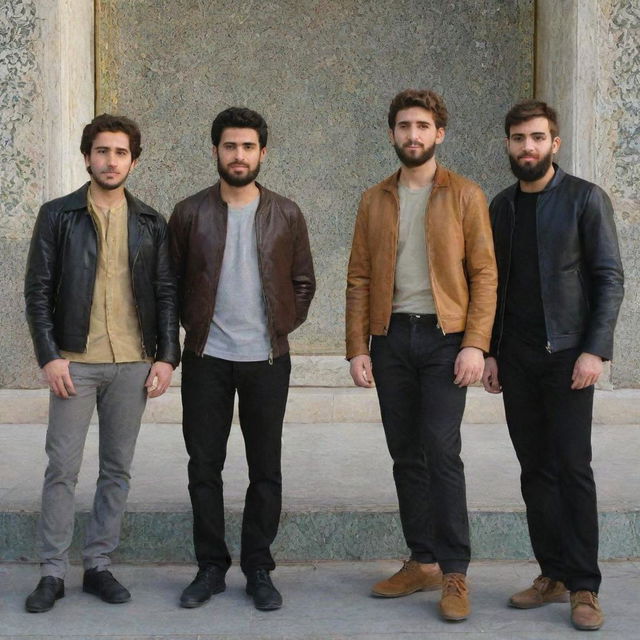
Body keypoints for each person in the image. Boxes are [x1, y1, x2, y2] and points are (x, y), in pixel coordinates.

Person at [346, 89, 497, 621]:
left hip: (444, 339)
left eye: (423, 126)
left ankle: (454, 570)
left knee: (440, 449)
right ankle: (422, 558)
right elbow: (360, 276)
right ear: (392, 134)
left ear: (439, 134)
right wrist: (357, 347)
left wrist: (476, 342)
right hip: (390, 341)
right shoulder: (374, 199)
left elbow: (484, 274)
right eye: (404, 126)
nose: (413, 135)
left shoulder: (465, 195)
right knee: (405, 452)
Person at [23, 114, 180, 612]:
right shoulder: (58, 215)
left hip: (132, 361)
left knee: (117, 469)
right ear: (87, 155)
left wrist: (166, 357)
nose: (111, 161)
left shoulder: (151, 221)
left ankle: (98, 565)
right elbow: (38, 289)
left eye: (120, 153)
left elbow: (166, 292)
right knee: (62, 468)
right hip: (75, 362)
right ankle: (51, 572)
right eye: (102, 151)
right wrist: (49, 355)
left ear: (133, 159)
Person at [482, 100, 624, 631]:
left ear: (554, 144)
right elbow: (492, 286)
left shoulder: (586, 199)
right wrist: (492, 350)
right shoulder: (501, 207)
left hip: (569, 357)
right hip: (517, 361)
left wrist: (595, 349)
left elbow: (609, 277)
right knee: (534, 471)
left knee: (572, 469)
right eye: (518, 138)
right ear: (508, 145)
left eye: (537, 138)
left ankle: (584, 585)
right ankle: (552, 574)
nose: (528, 147)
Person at [169, 107, 315, 612]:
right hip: (207, 355)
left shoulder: (287, 212)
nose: (239, 155)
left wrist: (278, 326)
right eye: (230, 146)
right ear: (215, 151)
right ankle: (210, 566)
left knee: (265, 466)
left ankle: (258, 566)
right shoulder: (189, 213)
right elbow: (170, 285)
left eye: (248, 146)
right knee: (204, 464)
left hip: (267, 359)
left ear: (262, 153)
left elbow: (303, 281)